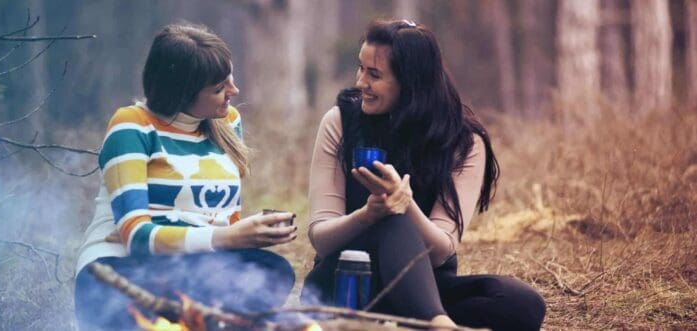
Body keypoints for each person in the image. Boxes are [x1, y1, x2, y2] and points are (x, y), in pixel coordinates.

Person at [303, 19, 546, 330]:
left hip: (424, 288)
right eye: (360, 68)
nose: (360, 82)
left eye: (374, 75)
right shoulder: (340, 123)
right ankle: (438, 325)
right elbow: (321, 239)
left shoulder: (464, 142)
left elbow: (442, 250)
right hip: (344, 284)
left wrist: (407, 205)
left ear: (411, 84)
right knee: (390, 218)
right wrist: (367, 215)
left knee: (522, 303)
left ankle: (419, 320)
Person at [74, 23, 297, 330]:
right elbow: (137, 238)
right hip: (122, 269)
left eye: (230, 78)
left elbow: (222, 220)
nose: (233, 92)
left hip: (191, 268)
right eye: (219, 88)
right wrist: (229, 237)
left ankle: (202, 318)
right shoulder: (133, 126)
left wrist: (247, 235)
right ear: (181, 92)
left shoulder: (227, 121)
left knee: (272, 271)